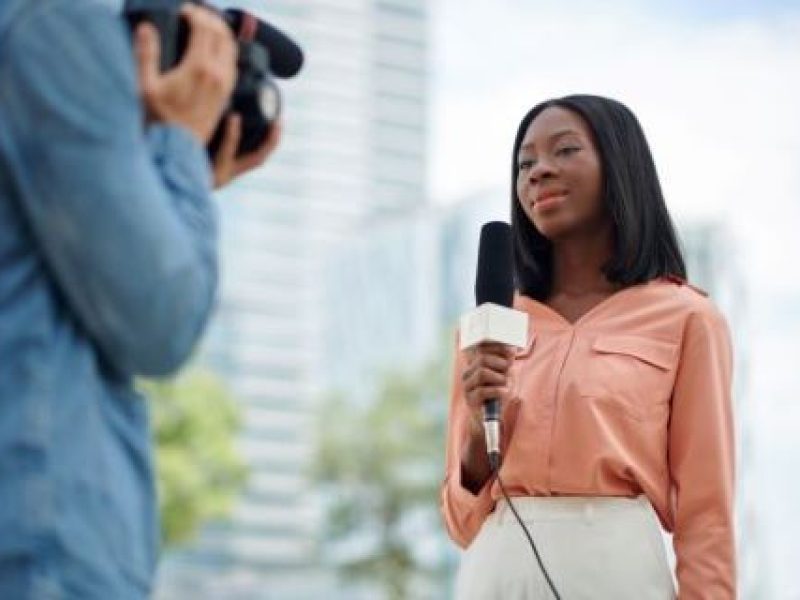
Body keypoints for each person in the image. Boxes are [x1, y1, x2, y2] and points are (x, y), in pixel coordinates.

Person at [0, 0, 280, 597]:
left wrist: (153, 185)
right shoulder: (51, 23)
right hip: (40, 549)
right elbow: (161, 319)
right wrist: (179, 145)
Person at [441, 94, 735, 599]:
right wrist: (474, 431)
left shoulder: (687, 318)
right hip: (495, 574)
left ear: (619, 166)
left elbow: (706, 514)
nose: (538, 172)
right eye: (525, 163)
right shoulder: (491, 322)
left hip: (616, 573)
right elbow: (460, 521)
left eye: (565, 151)